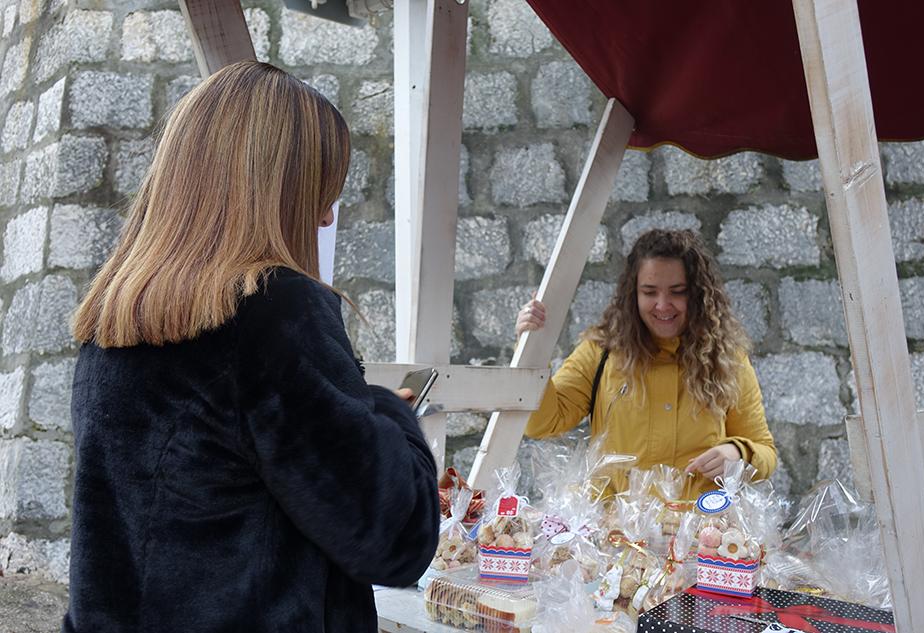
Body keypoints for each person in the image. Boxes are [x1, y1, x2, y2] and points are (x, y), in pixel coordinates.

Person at [64, 61, 439, 633]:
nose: (327, 216)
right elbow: (394, 537)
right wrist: (389, 411)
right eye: (322, 192)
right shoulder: (272, 312)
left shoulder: (116, 317)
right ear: (282, 191)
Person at [516, 229, 776, 499]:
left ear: (698, 295)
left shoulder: (727, 358)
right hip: (614, 524)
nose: (663, 305)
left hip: (698, 524)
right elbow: (541, 424)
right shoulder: (601, 351)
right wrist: (532, 348)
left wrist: (738, 453)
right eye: (650, 292)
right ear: (633, 294)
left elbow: (765, 452)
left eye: (678, 292)